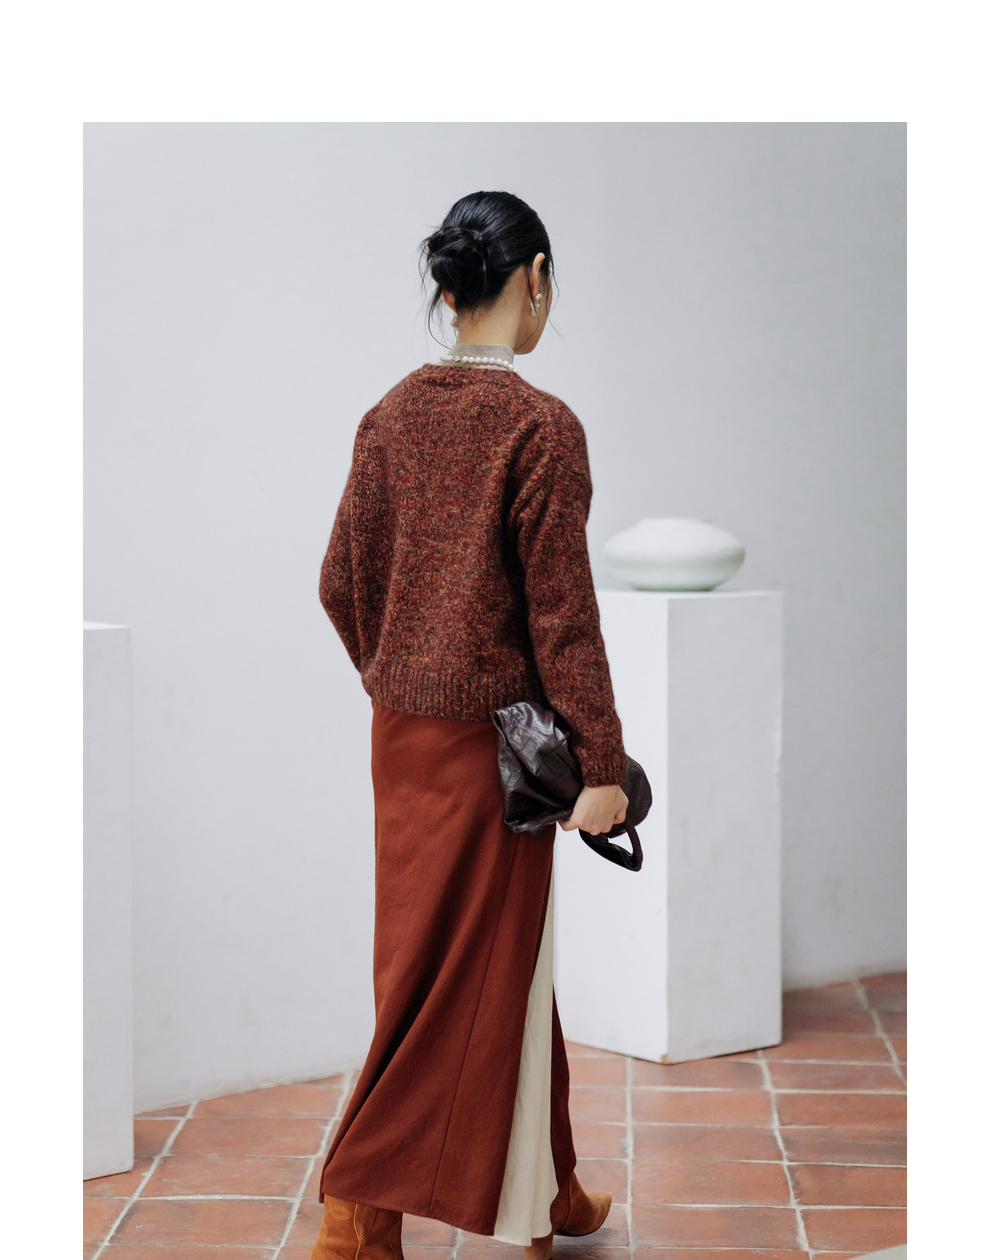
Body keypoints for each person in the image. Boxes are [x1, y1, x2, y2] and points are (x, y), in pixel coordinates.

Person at [311, 190, 629, 1260]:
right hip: (498, 756)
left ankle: (552, 1186)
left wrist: (399, 673)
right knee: (460, 981)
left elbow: (337, 583)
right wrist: (602, 763)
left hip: (402, 740)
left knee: (448, 962)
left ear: (449, 291)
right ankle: (357, 1208)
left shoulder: (389, 414)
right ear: (534, 277)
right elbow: (563, 620)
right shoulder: (541, 427)